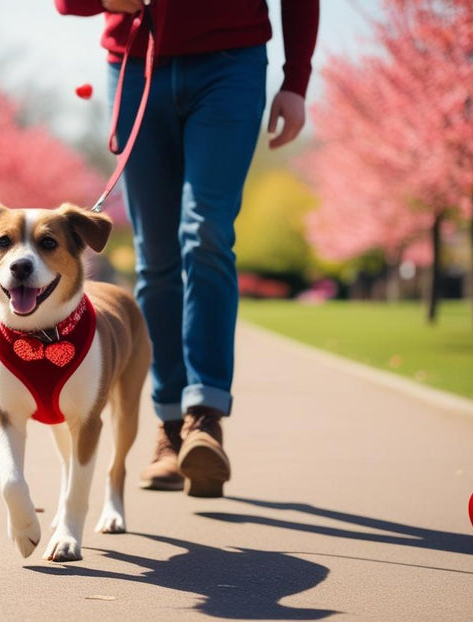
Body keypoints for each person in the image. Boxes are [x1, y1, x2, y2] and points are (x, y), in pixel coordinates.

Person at [54, 0, 319, 497]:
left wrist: (296, 81)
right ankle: (170, 426)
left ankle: (205, 419)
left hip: (231, 61)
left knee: (207, 234)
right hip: (136, 63)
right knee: (155, 258)